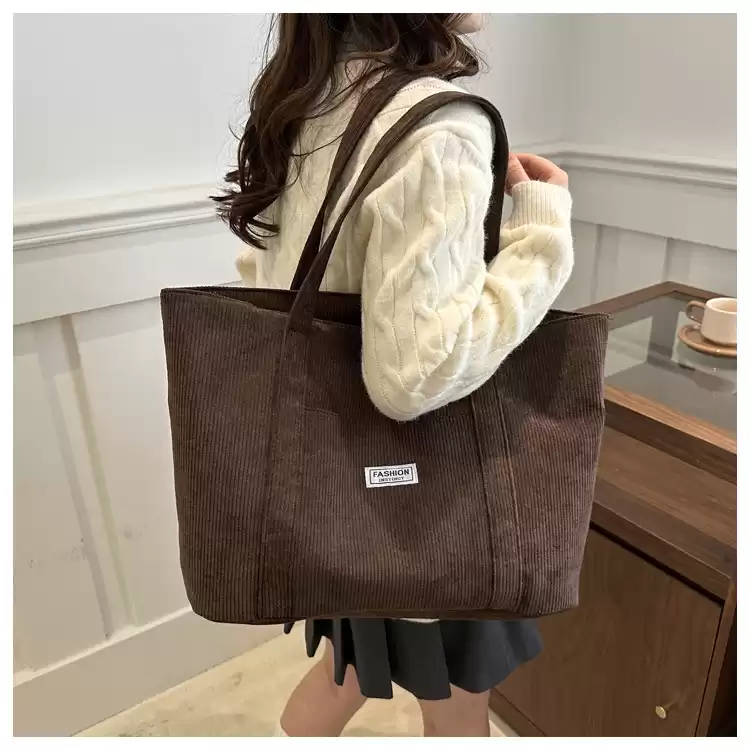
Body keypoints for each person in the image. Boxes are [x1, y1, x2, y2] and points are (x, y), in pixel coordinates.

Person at [216, 13, 572, 738]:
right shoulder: (437, 128)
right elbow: (415, 376)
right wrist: (541, 233)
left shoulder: (309, 100)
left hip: (338, 495)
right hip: (433, 509)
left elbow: (268, 279)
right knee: (459, 706)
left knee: (344, 674)